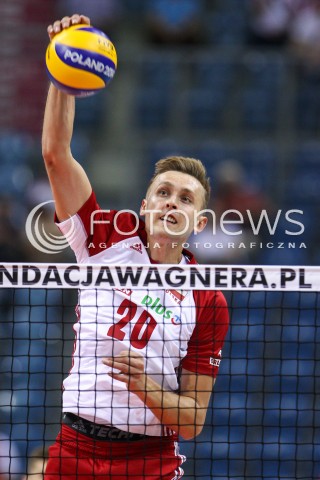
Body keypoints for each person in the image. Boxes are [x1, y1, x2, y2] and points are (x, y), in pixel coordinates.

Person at [42, 14, 229, 480]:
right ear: (145, 204)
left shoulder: (208, 299)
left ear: (199, 222)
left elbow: (193, 422)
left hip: (150, 462)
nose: (172, 202)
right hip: (74, 449)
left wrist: (145, 386)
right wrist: (62, 74)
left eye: (185, 198)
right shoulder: (105, 239)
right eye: (164, 191)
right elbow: (55, 154)